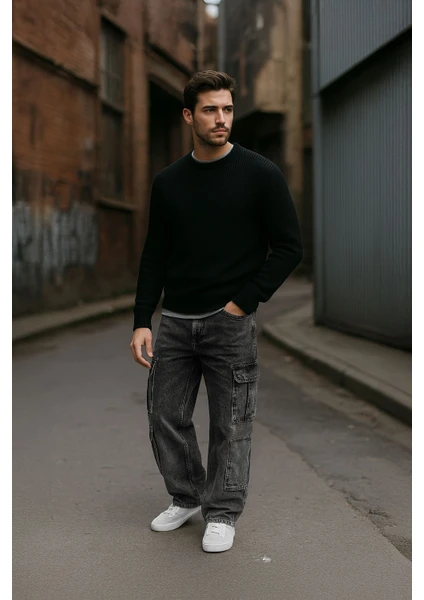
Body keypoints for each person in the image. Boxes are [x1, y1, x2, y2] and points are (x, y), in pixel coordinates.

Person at [130, 70, 303, 553]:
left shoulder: (260, 174)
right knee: (165, 414)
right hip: (175, 322)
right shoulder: (169, 182)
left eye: (227, 109)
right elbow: (155, 255)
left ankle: (223, 511)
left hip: (230, 323)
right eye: (210, 110)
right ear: (189, 116)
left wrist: (242, 303)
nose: (221, 118)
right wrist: (142, 319)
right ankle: (186, 495)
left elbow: (289, 248)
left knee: (231, 423)